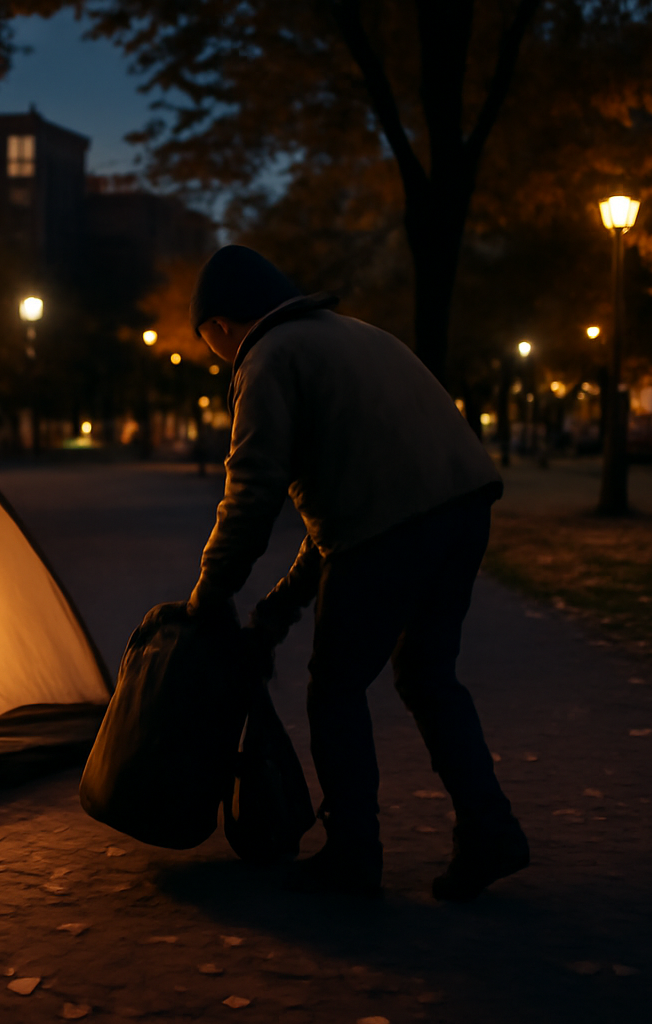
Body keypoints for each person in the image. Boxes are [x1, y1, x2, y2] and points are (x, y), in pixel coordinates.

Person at [185, 245, 528, 901]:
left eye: (207, 342)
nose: (213, 356)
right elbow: (344, 518)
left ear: (222, 325)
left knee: (334, 688)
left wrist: (212, 592)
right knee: (430, 677)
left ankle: (353, 852)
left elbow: (253, 494)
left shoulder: (266, 358)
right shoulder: (360, 337)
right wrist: (280, 607)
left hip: (395, 528)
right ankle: (492, 830)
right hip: (464, 509)